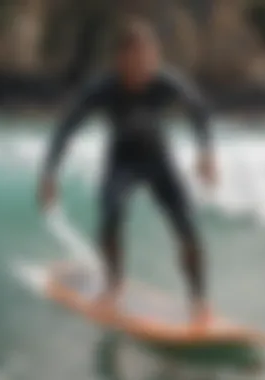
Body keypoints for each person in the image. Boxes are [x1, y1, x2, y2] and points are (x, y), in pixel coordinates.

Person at [38, 17, 217, 328]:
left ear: (155, 57)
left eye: (148, 58)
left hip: (159, 160)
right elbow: (67, 127)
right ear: (119, 60)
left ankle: (198, 299)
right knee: (111, 213)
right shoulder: (103, 88)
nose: (141, 66)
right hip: (122, 162)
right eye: (134, 58)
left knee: (187, 228)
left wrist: (206, 152)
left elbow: (199, 109)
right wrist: (50, 173)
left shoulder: (165, 82)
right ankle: (113, 283)